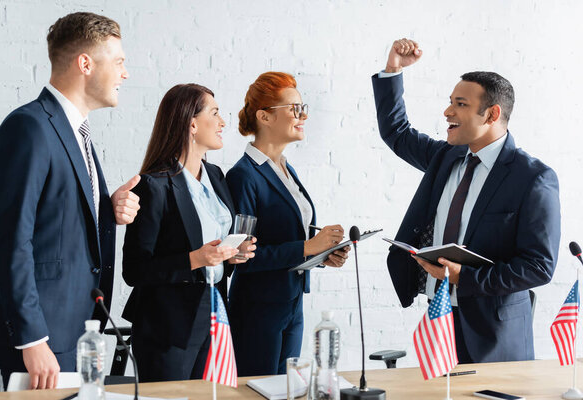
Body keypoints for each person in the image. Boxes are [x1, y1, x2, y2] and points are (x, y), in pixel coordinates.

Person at [373, 39, 560, 363]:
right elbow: (397, 133)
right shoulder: (446, 157)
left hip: (495, 335)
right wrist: (393, 71)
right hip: (439, 317)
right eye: (450, 102)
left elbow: (538, 266)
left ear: (492, 113)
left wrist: (465, 278)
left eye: (460, 104)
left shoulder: (533, 178)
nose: (447, 111)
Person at [0, 12, 141, 390]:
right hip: (41, 338)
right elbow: (10, 240)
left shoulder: (76, 132)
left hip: (74, 330)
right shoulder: (30, 128)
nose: (125, 73)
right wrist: (32, 339)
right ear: (85, 63)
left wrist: (108, 207)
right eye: (119, 62)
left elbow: (56, 219)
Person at [121, 84, 256, 382]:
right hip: (168, 328)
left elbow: (215, 251)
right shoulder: (153, 185)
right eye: (216, 113)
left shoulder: (217, 177)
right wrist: (195, 258)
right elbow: (134, 270)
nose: (224, 122)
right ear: (192, 124)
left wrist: (232, 256)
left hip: (215, 313)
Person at [226, 71, 350, 376]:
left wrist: (322, 253)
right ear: (265, 117)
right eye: (294, 108)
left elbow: (286, 234)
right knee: (257, 392)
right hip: (258, 309)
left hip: (291, 303)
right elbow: (243, 258)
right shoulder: (244, 176)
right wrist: (309, 246)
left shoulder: (285, 169)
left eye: (302, 106)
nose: (303, 114)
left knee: (286, 389)